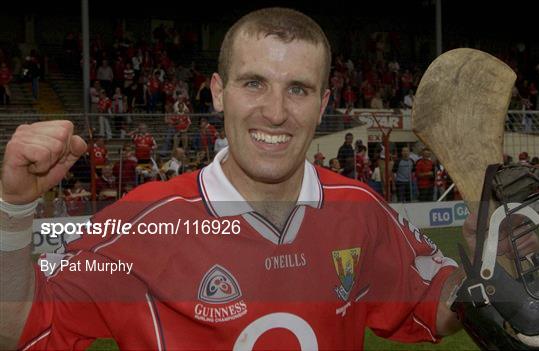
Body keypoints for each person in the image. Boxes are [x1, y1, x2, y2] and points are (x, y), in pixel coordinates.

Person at [3, 8, 481, 350]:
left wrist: (486, 267)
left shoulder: (360, 208)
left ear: (322, 104)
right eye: (254, 83)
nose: (275, 113)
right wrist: (13, 207)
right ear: (218, 92)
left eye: (298, 89)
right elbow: (21, 326)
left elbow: (435, 306)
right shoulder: (143, 223)